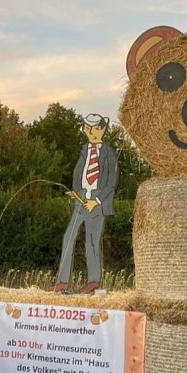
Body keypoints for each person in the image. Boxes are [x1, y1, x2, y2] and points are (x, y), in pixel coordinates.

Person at [51, 114, 117, 294]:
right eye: (87, 129)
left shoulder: (108, 153)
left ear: (103, 129)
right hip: (81, 202)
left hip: (97, 202)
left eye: (95, 129)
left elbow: (111, 183)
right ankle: (62, 282)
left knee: (92, 242)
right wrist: (77, 192)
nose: (91, 133)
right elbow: (78, 174)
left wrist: (95, 201)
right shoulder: (84, 150)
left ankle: (94, 281)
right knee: (68, 237)